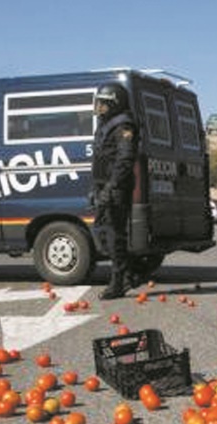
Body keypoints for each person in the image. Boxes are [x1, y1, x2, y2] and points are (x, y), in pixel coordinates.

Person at [91, 83, 140, 300]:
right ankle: (129, 273)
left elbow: (125, 159)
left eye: (103, 103)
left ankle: (118, 282)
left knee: (114, 235)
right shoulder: (105, 124)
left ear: (114, 103)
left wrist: (110, 188)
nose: (99, 107)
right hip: (103, 185)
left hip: (116, 187)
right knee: (102, 232)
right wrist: (95, 188)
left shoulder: (124, 125)